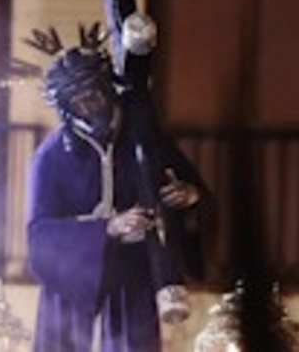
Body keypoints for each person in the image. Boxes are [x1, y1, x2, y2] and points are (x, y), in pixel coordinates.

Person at [26, 42, 208, 352]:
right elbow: (40, 237)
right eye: (76, 102)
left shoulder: (145, 137)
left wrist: (190, 197)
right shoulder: (50, 155)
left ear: (107, 88)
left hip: (133, 275)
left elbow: (191, 190)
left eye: (92, 96)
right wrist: (107, 228)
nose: (87, 107)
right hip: (75, 280)